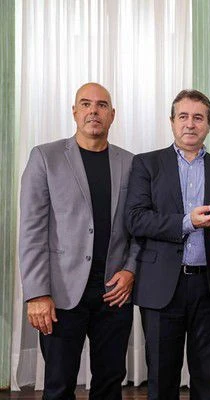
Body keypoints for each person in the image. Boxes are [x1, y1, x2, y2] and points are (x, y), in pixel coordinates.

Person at [19, 82, 137, 400]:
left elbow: (139, 228)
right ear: (74, 112)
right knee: (58, 385)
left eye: (101, 105)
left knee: (110, 384)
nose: (93, 111)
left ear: (112, 114)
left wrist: (130, 270)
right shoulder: (45, 157)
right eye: (85, 104)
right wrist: (37, 294)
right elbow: (31, 230)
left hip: (114, 292)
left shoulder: (130, 163)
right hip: (61, 294)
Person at [126, 90, 210, 400]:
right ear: (172, 121)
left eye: (198, 117)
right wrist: (187, 222)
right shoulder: (146, 164)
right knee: (161, 378)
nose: (190, 124)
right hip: (162, 287)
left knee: (207, 378)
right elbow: (136, 219)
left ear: (208, 125)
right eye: (183, 116)